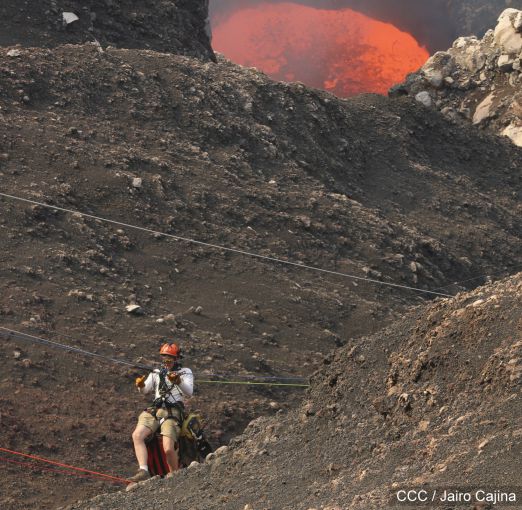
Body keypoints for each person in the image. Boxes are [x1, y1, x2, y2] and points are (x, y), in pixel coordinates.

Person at [129, 342, 193, 482]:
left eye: (170, 357)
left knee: (168, 449)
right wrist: (141, 386)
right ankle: (143, 470)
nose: (167, 360)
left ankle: (174, 476)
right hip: (156, 409)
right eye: (164, 357)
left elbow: (189, 392)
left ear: (176, 358)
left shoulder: (185, 372)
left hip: (173, 411)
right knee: (137, 435)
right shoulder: (157, 372)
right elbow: (146, 390)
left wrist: (178, 381)